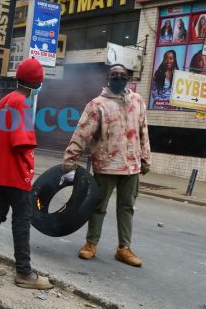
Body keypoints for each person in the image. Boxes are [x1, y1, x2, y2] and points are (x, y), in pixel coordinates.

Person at [0, 57, 53, 289]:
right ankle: (24, 273)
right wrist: (29, 170)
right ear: (36, 83)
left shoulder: (6, 99)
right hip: (14, 172)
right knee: (22, 219)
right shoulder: (22, 103)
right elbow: (22, 142)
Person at [61, 64, 151, 267]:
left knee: (127, 207)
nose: (118, 78)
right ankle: (91, 244)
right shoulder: (97, 104)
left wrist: (145, 158)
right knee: (98, 206)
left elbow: (143, 131)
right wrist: (71, 158)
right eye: (114, 75)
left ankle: (124, 248)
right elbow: (82, 132)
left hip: (132, 167)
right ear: (108, 78)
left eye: (122, 75)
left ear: (128, 78)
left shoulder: (138, 102)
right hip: (106, 165)